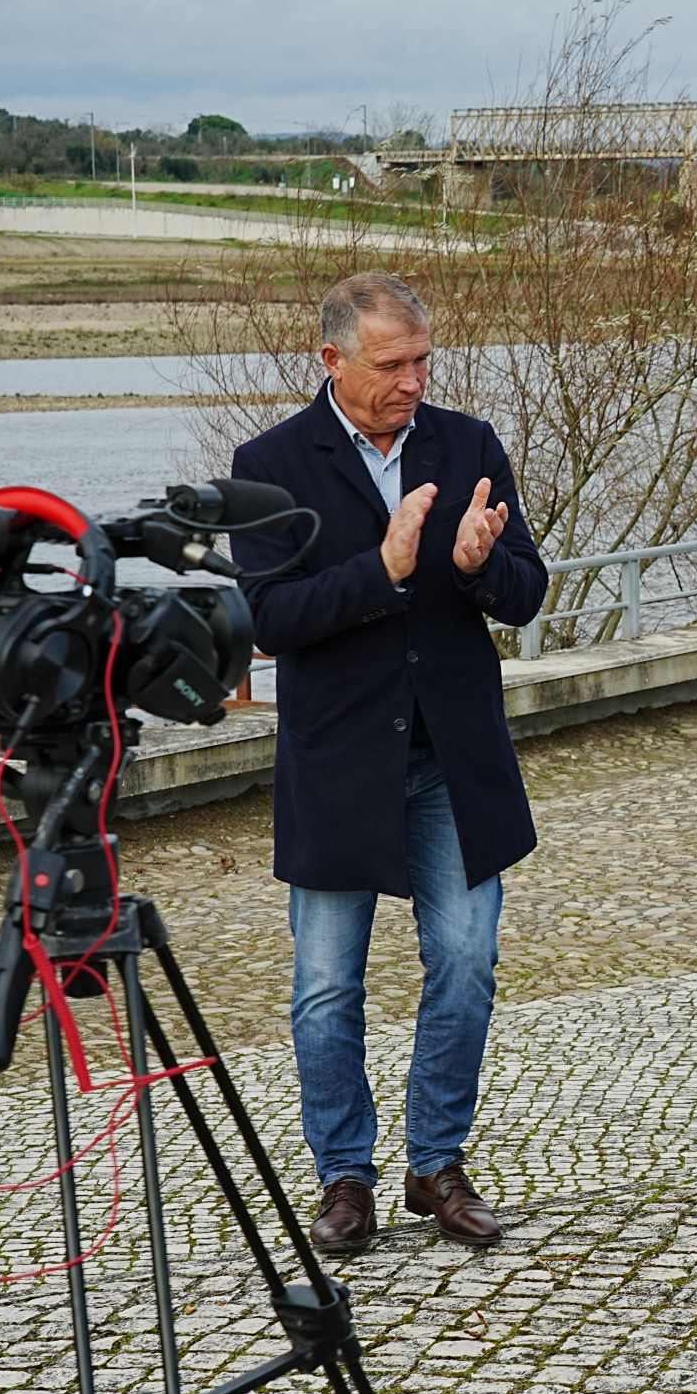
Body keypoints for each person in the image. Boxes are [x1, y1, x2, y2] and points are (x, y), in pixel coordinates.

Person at [231, 270, 546, 1255]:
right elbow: (270, 617)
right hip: (338, 766)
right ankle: (345, 1176)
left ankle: (435, 1163)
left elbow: (526, 591)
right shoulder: (268, 462)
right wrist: (383, 570)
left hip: (453, 757)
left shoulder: (469, 443)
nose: (413, 381)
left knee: (467, 961)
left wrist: (477, 566)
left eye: (422, 361)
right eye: (392, 363)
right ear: (331, 358)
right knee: (327, 986)